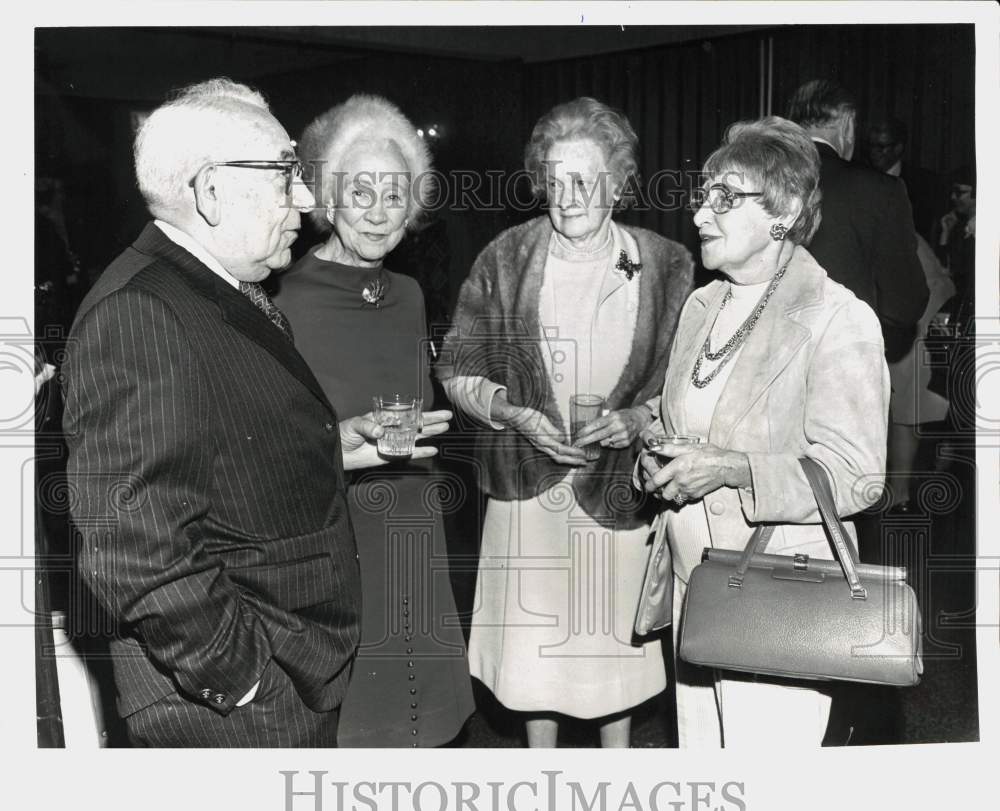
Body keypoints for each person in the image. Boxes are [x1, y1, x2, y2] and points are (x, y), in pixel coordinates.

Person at [61, 78, 429, 747]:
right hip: (236, 705)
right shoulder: (141, 311)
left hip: (280, 670)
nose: (308, 197)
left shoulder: (213, 285)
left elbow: (218, 448)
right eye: (285, 174)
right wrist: (243, 675)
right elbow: (130, 541)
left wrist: (331, 444)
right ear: (209, 191)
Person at [437, 97, 693, 748]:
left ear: (618, 181)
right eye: (554, 180)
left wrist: (639, 416)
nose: (568, 195)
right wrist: (511, 411)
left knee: (613, 654)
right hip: (529, 492)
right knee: (535, 660)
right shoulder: (506, 257)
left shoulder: (668, 264)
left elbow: (686, 383)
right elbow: (456, 365)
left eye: (585, 179)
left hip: (617, 492)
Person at [638, 116, 890, 748]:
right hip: (698, 580)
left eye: (725, 197)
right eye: (703, 195)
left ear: (784, 212)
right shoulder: (704, 305)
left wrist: (733, 468)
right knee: (704, 761)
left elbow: (857, 476)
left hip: (782, 592)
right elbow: (684, 422)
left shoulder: (838, 319)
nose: (699, 213)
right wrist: (656, 455)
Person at [272, 94, 474, 747]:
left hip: (411, 513)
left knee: (423, 717)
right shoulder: (286, 299)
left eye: (395, 194)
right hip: (338, 519)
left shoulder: (410, 295)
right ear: (328, 196)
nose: (380, 211)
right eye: (361, 191)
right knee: (358, 719)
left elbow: (412, 411)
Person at [787, 80, 928, 364]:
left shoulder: (759, 179)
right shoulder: (880, 189)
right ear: (847, 121)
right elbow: (905, 305)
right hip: (845, 370)